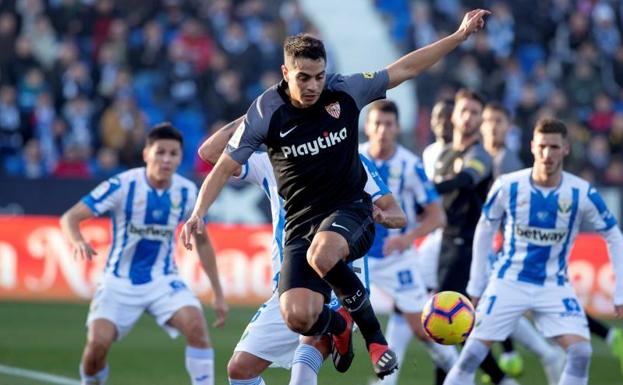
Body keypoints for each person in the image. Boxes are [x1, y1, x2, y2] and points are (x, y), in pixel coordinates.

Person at [181, 10, 489, 379]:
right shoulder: (266, 119)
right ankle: (337, 327)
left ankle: (375, 340)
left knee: (321, 270)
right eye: (303, 78)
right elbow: (216, 159)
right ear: (285, 74)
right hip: (299, 235)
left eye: (319, 77)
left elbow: (404, 69)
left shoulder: (345, 98)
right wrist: (199, 210)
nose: (313, 86)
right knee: (261, 350)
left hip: (346, 231)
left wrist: (457, 36)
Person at [197, 117, 406, 385]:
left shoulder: (352, 160)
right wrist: (255, 115)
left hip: (336, 283)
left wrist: (382, 216)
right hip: (289, 284)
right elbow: (210, 153)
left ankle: (348, 326)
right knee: (239, 371)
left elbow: (396, 213)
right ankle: (339, 327)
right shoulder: (271, 162)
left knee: (303, 369)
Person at [444, 118, 623, 385]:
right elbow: (485, 228)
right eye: (542, 147)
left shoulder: (581, 192)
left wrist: (620, 291)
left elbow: (613, 235)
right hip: (508, 281)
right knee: (471, 354)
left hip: (554, 284)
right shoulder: (508, 185)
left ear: (566, 149)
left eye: (554, 147)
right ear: (532, 147)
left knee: (581, 352)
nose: (547, 154)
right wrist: (476, 284)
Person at [60, 123, 228, 385]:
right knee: (97, 345)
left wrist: (217, 292)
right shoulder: (122, 185)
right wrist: (77, 240)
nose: (166, 159)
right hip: (118, 282)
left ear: (180, 158)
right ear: (146, 153)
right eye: (160, 152)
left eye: (173, 154)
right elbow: (70, 218)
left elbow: (203, 242)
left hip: (163, 279)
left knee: (196, 325)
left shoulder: (187, 192)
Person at [359, 100, 458, 385]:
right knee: (326, 323)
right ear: (367, 127)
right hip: (356, 257)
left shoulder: (410, 165)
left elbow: (438, 216)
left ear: (397, 128)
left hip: (396, 258)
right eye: (376, 123)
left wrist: (407, 238)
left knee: (422, 328)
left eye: (388, 124)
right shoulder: (353, 157)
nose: (382, 130)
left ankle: (460, 375)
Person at [433, 89, 517, 385]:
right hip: (446, 243)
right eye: (464, 110)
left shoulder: (480, 155)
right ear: (453, 115)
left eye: (474, 113)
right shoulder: (443, 154)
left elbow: (467, 179)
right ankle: (500, 377)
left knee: (446, 321)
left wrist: (426, 188)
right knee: (456, 325)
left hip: (468, 248)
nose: (468, 117)